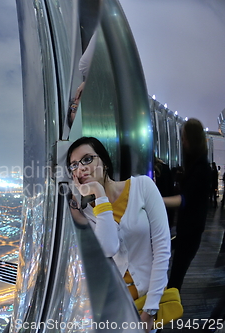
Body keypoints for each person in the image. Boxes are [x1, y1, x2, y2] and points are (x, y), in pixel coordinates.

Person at [67, 137, 171, 332]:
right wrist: (99, 194)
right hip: (111, 307)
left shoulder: (143, 187)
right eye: (74, 165)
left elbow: (162, 249)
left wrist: (150, 309)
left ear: (104, 162)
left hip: (146, 303)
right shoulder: (87, 211)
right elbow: (108, 248)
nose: (81, 168)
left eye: (87, 159)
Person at [163, 118, 211, 291]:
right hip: (188, 230)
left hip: (190, 232)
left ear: (192, 139)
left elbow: (183, 199)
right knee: (175, 274)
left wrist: (156, 201)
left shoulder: (201, 169)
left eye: (184, 137)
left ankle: (166, 311)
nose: (182, 141)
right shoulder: (199, 166)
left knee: (176, 276)